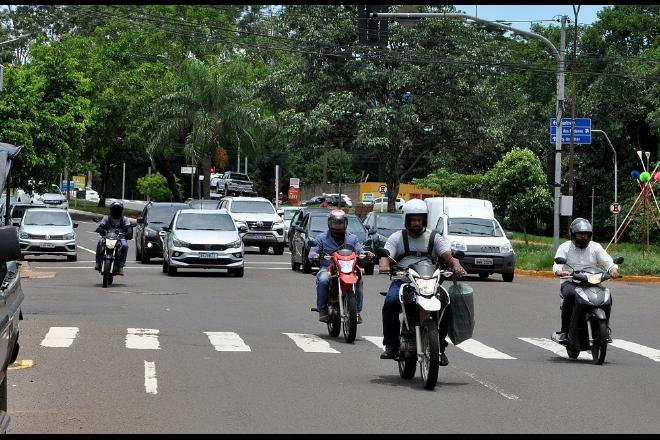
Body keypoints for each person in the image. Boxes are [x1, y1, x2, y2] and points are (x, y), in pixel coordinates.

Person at [378, 198, 466, 364]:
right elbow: (386, 256)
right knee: (390, 302)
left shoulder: (434, 237)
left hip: (429, 281)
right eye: (413, 220)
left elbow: (449, 255)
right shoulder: (397, 237)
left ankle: (440, 346)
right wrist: (384, 265)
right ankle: (390, 345)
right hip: (403, 280)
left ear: (424, 220)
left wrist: (456, 265)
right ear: (406, 220)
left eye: (419, 219)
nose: (416, 223)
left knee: (446, 303)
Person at [552, 217, 620, 343]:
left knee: (607, 297)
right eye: (580, 234)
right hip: (570, 282)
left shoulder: (595, 247)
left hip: (591, 281)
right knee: (570, 296)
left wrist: (613, 270)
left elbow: (608, 262)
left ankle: (605, 328)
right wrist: (560, 271)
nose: (583, 237)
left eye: (586, 234)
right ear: (573, 234)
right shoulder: (565, 247)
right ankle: (565, 331)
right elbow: (557, 265)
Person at [309, 209, 375, 323]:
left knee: (359, 280)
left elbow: (360, 251)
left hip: (348, 268)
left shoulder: (352, 238)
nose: (337, 225)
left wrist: (366, 254)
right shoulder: (321, 238)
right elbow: (313, 251)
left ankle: (357, 312)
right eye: (335, 222)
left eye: (340, 223)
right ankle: (323, 310)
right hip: (329, 267)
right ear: (330, 223)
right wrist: (315, 255)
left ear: (345, 223)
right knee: (323, 280)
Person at [94, 201, 133, 275]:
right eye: (115, 209)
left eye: (118, 209)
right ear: (111, 210)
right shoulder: (106, 218)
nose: (116, 211)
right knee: (99, 243)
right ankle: (98, 262)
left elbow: (128, 227)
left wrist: (129, 232)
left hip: (120, 237)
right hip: (107, 236)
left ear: (121, 210)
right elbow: (101, 225)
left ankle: (121, 266)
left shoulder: (125, 219)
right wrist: (100, 229)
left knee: (125, 246)